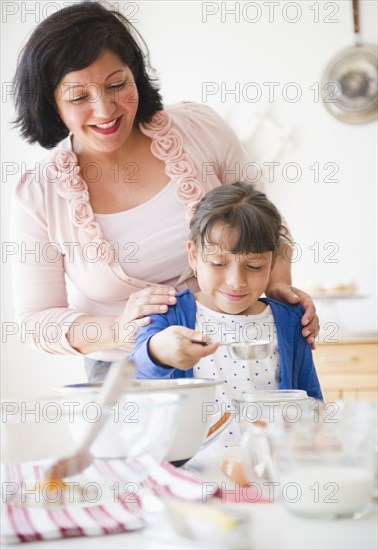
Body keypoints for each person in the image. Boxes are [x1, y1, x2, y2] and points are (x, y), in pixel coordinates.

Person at [11, 1, 319, 382]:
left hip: (230, 354)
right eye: (78, 97)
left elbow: (268, 225)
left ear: (135, 76)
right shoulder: (40, 193)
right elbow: (37, 320)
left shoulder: (199, 129)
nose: (105, 110)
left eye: (117, 85)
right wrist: (122, 329)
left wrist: (277, 292)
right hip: (122, 377)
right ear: (51, 104)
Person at [130, 182, 323, 407]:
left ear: (272, 263)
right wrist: (159, 351)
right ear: (193, 256)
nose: (236, 282)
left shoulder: (290, 319)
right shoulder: (167, 314)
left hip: (263, 442)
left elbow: (312, 404)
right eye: (218, 263)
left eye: (254, 266)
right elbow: (134, 377)